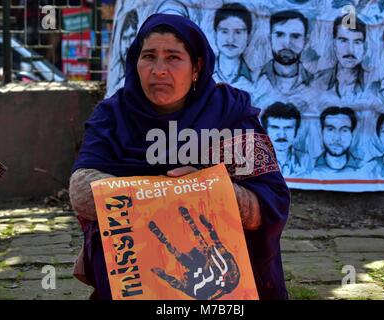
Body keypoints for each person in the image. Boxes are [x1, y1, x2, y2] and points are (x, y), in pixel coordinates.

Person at [69, 13, 290, 300]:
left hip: (218, 257)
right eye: (148, 56)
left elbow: (269, 205)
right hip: (136, 250)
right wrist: (169, 194)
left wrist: (206, 189)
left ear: (196, 66)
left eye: (173, 57)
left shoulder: (229, 113)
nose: (158, 70)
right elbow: (82, 189)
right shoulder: (113, 115)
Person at [253, 10, 313, 110]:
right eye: (279, 35)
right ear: (270, 39)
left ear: (305, 42)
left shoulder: (315, 83)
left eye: (295, 36)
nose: (287, 43)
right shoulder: (252, 81)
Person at [314, 14, 369, 99]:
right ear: (334, 44)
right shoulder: (318, 80)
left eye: (357, 42)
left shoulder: (372, 83)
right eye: (343, 41)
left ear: (364, 47)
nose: (350, 50)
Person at [260, 102, 310, 177]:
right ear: (265, 130)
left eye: (288, 128)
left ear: (296, 131)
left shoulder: (306, 160)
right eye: (275, 127)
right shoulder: (252, 161)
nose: (282, 135)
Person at [212, 3, 254, 90]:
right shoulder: (203, 74)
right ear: (215, 34)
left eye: (238, 32)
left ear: (248, 37)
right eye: (224, 31)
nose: (230, 40)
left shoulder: (255, 81)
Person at [314, 106, 361, 174]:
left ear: (352, 134)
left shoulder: (363, 167)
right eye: (330, 129)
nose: (337, 138)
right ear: (322, 132)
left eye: (344, 130)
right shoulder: (309, 167)